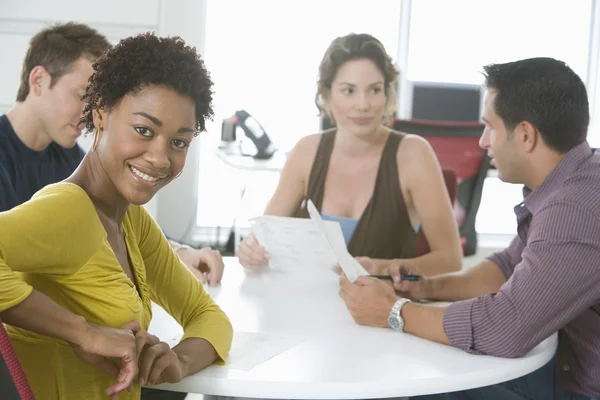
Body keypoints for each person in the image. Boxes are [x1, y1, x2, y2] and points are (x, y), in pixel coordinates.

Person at [339, 57, 600, 400]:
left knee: (427, 384)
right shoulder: (572, 181)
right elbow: (508, 268)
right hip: (565, 368)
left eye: (489, 127)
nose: (482, 142)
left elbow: (506, 328)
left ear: (525, 135)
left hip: (581, 388)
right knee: (430, 368)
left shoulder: (575, 209)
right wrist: (422, 289)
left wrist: (393, 312)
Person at [0, 32, 233, 399]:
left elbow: (209, 316)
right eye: (144, 130)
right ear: (100, 114)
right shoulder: (67, 210)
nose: (160, 158)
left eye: (179, 142)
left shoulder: (130, 220)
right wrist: (83, 332)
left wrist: (179, 362)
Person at [0, 22, 224, 286]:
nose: (91, 111)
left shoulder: (67, 157)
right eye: (82, 94)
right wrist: (81, 329)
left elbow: (118, 218)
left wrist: (178, 252)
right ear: (38, 81)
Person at [236, 33, 462, 275]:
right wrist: (250, 250)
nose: (363, 104)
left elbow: (450, 260)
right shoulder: (306, 152)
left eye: (374, 90)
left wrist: (381, 268)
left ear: (387, 94)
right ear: (326, 94)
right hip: (308, 303)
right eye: (348, 91)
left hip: (383, 307)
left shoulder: (414, 154)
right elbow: (264, 239)